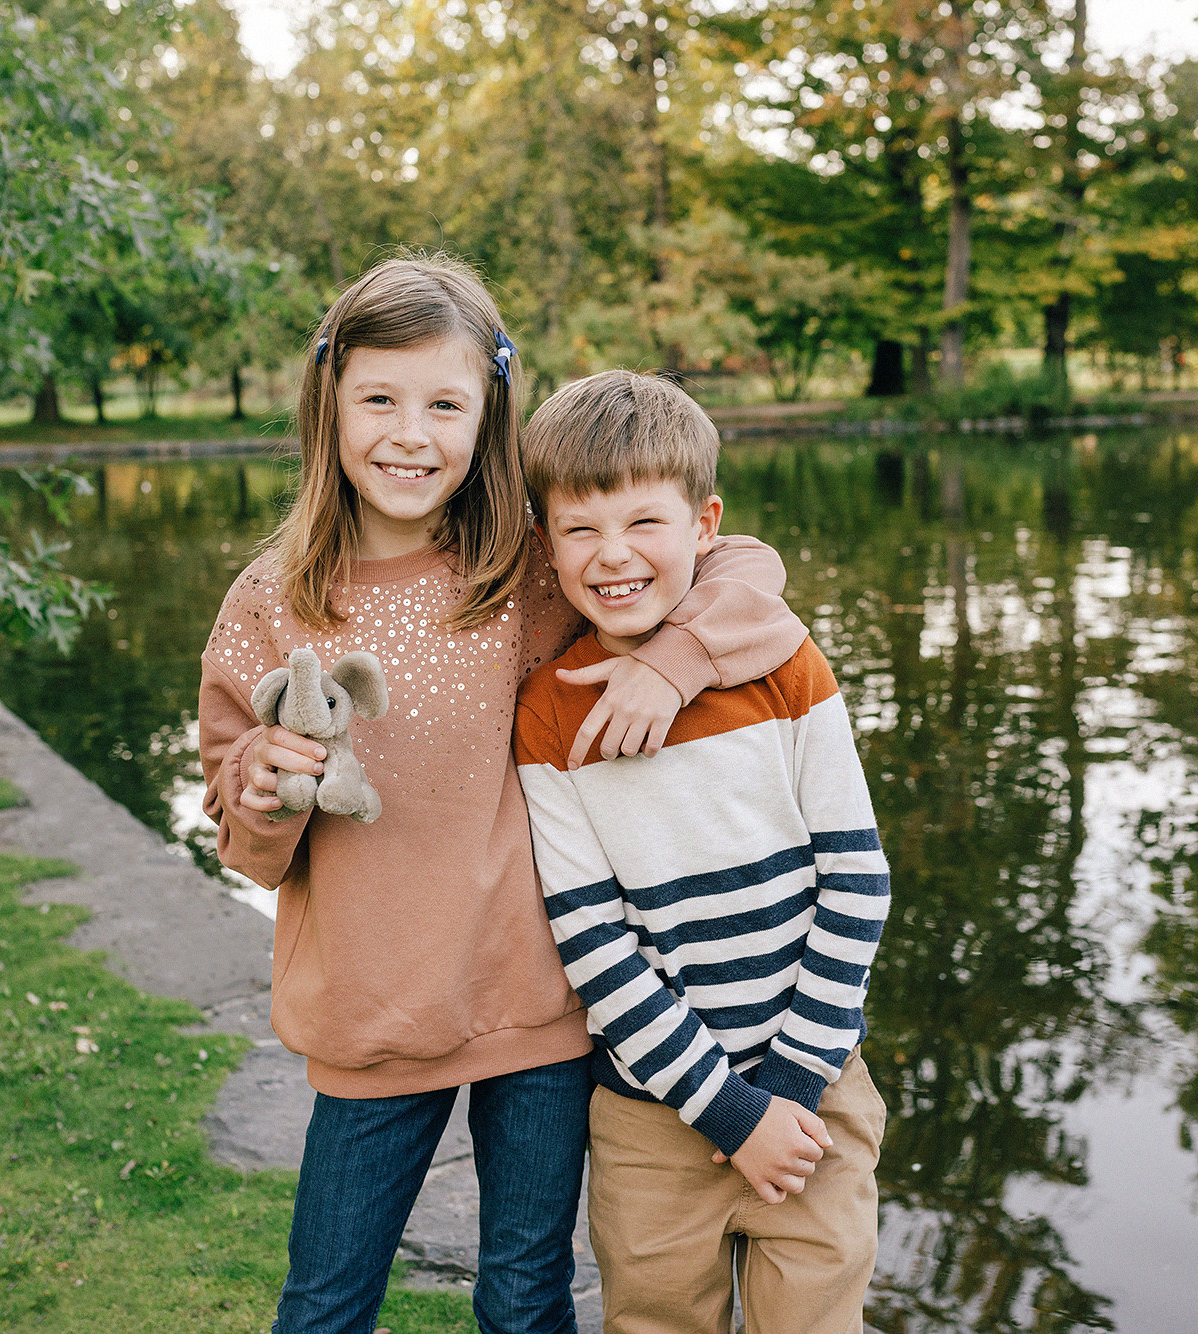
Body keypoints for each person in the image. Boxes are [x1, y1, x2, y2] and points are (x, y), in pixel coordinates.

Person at [196, 257, 808, 1334]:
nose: (409, 434)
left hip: (542, 1008)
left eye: (445, 405)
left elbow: (744, 567)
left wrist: (674, 663)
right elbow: (243, 841)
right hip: (374, 1015)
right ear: (328, 403)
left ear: (489, 418)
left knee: (526, 1297)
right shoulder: (271, 601)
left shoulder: (529, 569)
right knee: (325, 1301)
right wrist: (265, 786)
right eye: (378, 399)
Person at [513, 370, 891, 1334]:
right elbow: (594, 946)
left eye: (645, 522)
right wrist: (728, 1111)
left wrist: (789, 1091)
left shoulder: (786, 665)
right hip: (653, 1120)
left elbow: (856, 879)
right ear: (546, 543)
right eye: (580, 529)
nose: (613, 554)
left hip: (815, 1099)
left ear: (705, 524)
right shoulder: (547, 715)